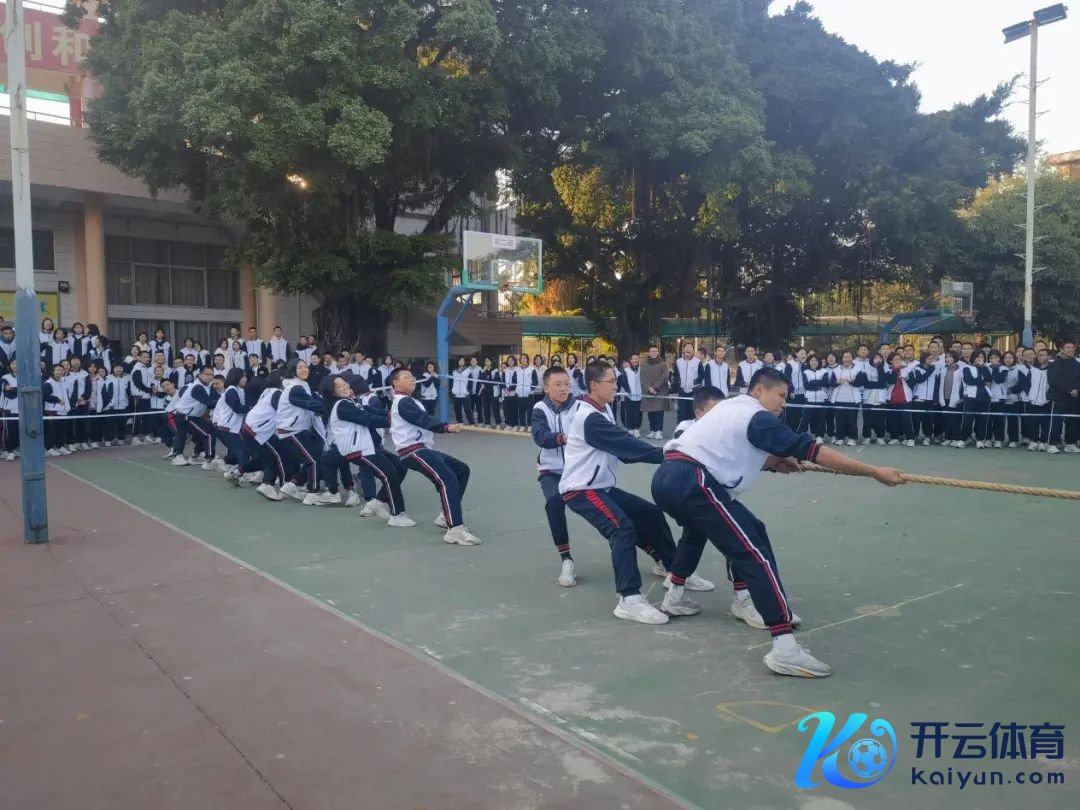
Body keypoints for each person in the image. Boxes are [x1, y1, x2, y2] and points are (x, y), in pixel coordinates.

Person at [652, 367, 905, 678]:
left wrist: (774, 463)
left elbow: (728, 450)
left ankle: (677, 597)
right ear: (759, 391)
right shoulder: (756, 415)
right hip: (695, 482)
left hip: (668, 479)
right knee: (754, 553)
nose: (783, 404)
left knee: (747, 529)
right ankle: (784, 646)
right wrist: (874, 472)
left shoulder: (732, 408)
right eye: (781, 396)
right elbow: (812, 450)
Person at [558, 361, 685, 625]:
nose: (616, 386)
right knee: (621, 529)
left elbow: (623, 450)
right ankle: (629, 599)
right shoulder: (589, 417)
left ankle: (674, 570)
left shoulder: (602, 408)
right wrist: (667, 453)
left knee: (650, 514)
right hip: (581, 489)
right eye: (611, 381)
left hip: (601, 486)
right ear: (594, 385)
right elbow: (626, 446)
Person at [388, 368, 480, 545]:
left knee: (461, 470)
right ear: (396, 383)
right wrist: (446, 427)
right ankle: (455, 529)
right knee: (447, 479)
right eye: (407, 377)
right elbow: (423, 419)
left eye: (412, 376)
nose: (412, 379)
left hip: (423, 449)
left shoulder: (408, 401)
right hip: (412, 450)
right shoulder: (402, 402)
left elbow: (422, 419)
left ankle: (446, 516)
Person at [531, 366, 578, 586]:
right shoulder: (540, 409)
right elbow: (541, 437)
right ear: (546, 387)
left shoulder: (579, 407)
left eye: (566, 384)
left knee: (608, 506)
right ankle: (566, 559)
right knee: (553, 502)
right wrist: (562, 438)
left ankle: (654, 554)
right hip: (550, 470)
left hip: (578, 470)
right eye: (557, 384)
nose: (563, 389)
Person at [640, 346, 669, 439]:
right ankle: (652, 430)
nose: (653, 353)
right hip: (648, 391)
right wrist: (649, 388)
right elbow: (643, 377)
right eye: (651, 351)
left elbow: (664, 376)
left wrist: (655, 387)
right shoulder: (644, 364)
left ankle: (659, 431)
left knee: (659, 411)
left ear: (658, 352)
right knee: (650, 411)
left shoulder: (663, 364)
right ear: (649, 353)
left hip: (660, 391)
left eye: (655, 351)